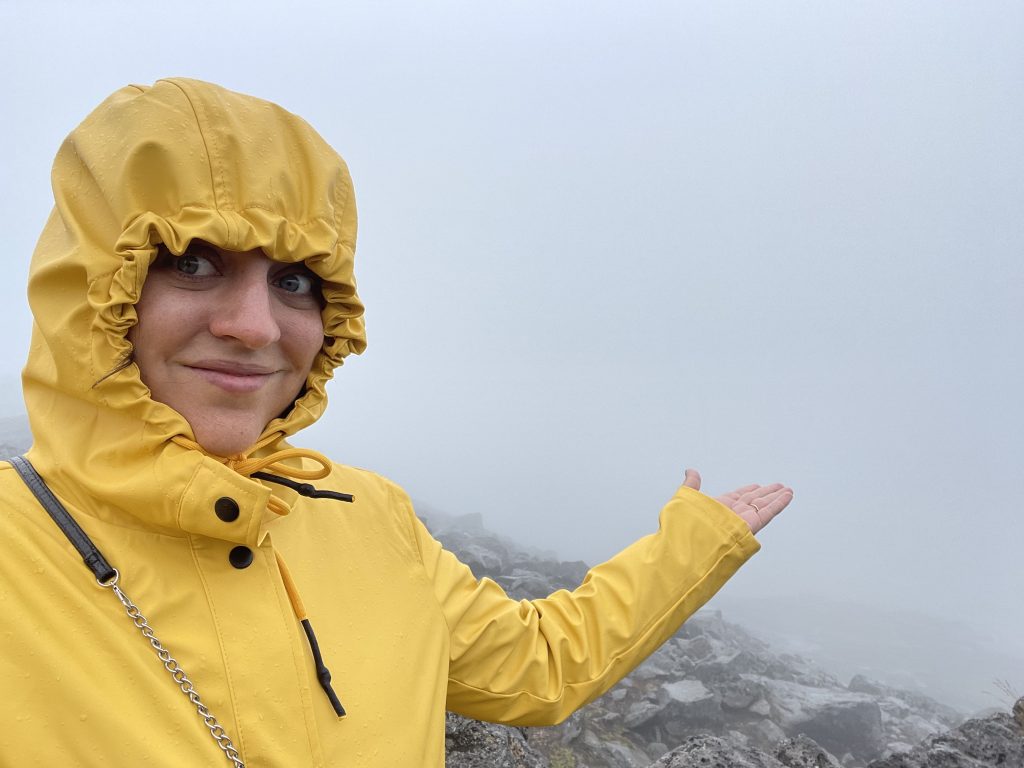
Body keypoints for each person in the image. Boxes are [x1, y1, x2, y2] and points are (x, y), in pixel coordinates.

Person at [0, 78, 792, 767]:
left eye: (295, 281)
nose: (255, 326)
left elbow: (539, 665)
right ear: (93, 287)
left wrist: (695, 545)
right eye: (192, 262)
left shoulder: (369, 516)